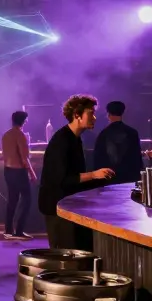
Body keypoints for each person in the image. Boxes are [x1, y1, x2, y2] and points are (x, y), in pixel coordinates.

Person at [39, 94, 115, 250]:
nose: (94, 117)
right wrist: (94, 175)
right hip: (57, 207)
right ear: (77, 116)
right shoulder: (61, 141)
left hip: (67, 205)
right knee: (65, 257)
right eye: (90, 113)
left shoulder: (75, 138)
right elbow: (62, 180)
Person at [0, 110, 36, 240]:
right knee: (26, 200)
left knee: (12, 200)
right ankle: (19, 230)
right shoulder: (20, 135)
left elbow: (4, 155)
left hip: (8, 170)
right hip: (19, 172)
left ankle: (8, 229)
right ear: (23, 121)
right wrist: (32, 173)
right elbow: (24, 158)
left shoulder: (5, 135)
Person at [94, 101, 144, 183]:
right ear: (123, 112)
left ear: (108, 114)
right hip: (129, 178)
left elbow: (98, 159)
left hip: (109, 179)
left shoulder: (103, 134)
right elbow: (137, 158)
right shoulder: (132, 132)